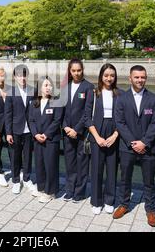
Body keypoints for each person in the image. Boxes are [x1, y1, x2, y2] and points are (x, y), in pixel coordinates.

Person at [113, 65, 155, 227]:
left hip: (148, 147)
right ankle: (124, 204)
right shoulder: (121, 98)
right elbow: (119, 122)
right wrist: (133, 142)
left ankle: (150, 210)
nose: (140, 80)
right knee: (125, 178)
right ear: (130, 78)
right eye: (137, 77)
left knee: (149, 180)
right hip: (127, 147)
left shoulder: (154, 99)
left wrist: (144, 142)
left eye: (143, 77)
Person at [87, 64, 122, 215]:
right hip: (97, 131)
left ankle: (109, 200)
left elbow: (123, 118)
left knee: (112, 168)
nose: (109, 78)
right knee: (96, 169)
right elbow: (86, 118)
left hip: (114, 131)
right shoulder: (94, 93)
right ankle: (96, 201)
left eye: (112, 75)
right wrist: (97, 137)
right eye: (106, 75)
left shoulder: (120, 94)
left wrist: (115, 135)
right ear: (101, 76)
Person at [61, 59, 94, 203]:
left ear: (82, 70)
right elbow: (61, 110)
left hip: (82, 134)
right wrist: (66, 126)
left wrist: (77, 129)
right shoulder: (65, 87)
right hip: (67, 132)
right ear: (70, 71)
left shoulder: (88, 87)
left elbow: (88, 113)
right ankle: (69, 190)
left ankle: (80, 192)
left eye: (78, 70)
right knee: (70, 163)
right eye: (73, 70)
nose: (76, 73)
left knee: (82, 163)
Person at [29, 76, 63, 203]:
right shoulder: (34, 103)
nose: (48, 87)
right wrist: (36, 134)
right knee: (39, 164)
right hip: (37, 139)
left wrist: (46, 134)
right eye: (45, 85)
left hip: (51, 139)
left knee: (50, 165)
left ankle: (51, 191)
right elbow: (31, 120)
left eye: (50, 85)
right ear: (40, 88)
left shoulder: (56, 102)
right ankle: (41, 188)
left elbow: (57, 120)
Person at [5, 65, 36, 195]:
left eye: (24, 75)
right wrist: (8, 133)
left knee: (28, 156)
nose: (22, 78)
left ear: (27, 76)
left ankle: (27, 178)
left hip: (29, 130)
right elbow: (8, 114)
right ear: (15, 77)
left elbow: (36, 111)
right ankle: (16, 181)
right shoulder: (10, 92)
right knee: (15, 156)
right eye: (19, 75)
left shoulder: (33, 91)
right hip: (16, 130)